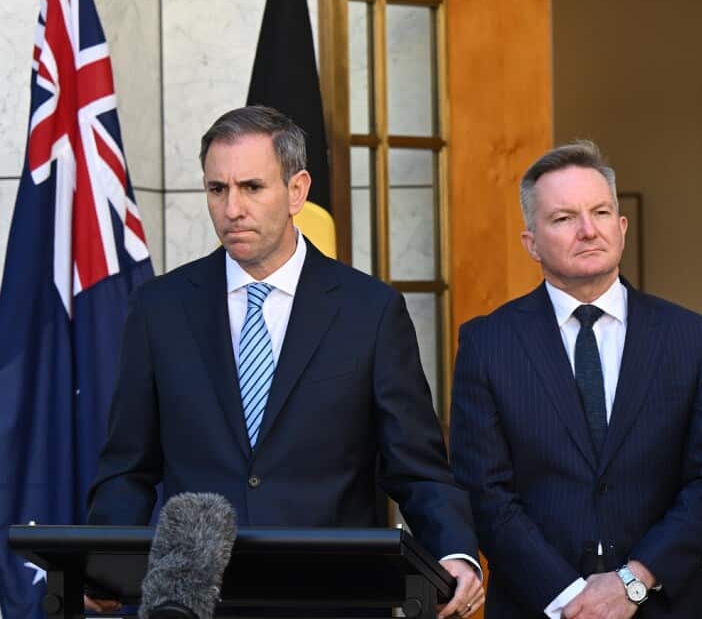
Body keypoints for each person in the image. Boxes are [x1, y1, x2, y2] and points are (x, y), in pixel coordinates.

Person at [87, 106, 483, 618]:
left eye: (252, 187)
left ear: (297, 191)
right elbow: (128, 468)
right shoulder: (159, 309)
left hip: (333, 600)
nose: (232, 208)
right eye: (217, 189)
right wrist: (102, 561)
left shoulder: (369, 311)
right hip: (197, 603)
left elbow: (416, 467)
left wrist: (455, 553)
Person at [449, 141, 702, 618]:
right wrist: (570, 600)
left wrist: (633, 582)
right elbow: (484, 492)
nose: (588, 230)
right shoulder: (487, 343)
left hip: (663, 604)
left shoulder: (688, 337)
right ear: (531, 243)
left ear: (621, 227)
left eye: (600, 212)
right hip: (538, 606)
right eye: (564, 218)